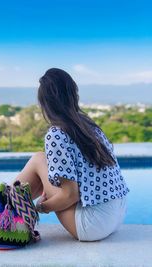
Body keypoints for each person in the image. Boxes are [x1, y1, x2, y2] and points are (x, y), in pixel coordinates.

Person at [12, 68, 130, 241]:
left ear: (44, 103)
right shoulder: (90, 127)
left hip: (92, 225)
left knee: (38, 159)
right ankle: (10, 208)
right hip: (117, 216)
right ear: (74, 95)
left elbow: (70, 195)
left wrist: (41, 208)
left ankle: (2, 210)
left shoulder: (56, 134)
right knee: (44, 165)